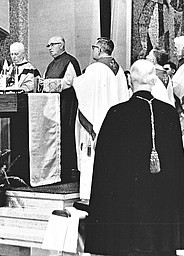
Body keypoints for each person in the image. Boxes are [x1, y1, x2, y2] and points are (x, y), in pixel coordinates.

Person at [84, 59, 184, 256]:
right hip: (160, 215)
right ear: (154, 81)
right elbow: (177, 166)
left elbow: (104, 168)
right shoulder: (169, 113)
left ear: (130, 80)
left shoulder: (116, 113)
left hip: (126, 215)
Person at [73, 37, 130, 202]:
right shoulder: (118, 69)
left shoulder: (95, 68)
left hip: (97, 120)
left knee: (91, 157)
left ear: (100, 49)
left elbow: (80, 88)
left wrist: (76, 81)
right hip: (115, 124)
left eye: (94, 47)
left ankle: (88, 195)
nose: (93, 51)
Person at [42, 36, 82, 182]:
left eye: (52, 45)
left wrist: (47, 85)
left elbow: (69, 82)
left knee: (66, 134)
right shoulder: (52, 64)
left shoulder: (70, 61)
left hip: (67, 104)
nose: (50, 48)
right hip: (54, 105)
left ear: (61, 45)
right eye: (49, 45)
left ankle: (68, 172)